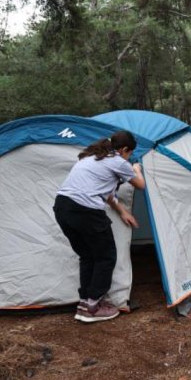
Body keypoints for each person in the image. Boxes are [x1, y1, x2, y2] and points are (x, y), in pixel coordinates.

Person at [53, 131, 145, 323]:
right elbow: (140, 185)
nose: (128, 158)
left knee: (87, 256)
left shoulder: (92, 157)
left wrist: (122, 211)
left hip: (62, 207)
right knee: (106, 256)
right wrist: (136, 168)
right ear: (125, 150)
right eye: (129, 154)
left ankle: (85, 302)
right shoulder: (118, 161)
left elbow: (104, 192)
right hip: (86, 211)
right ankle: (93, 307)